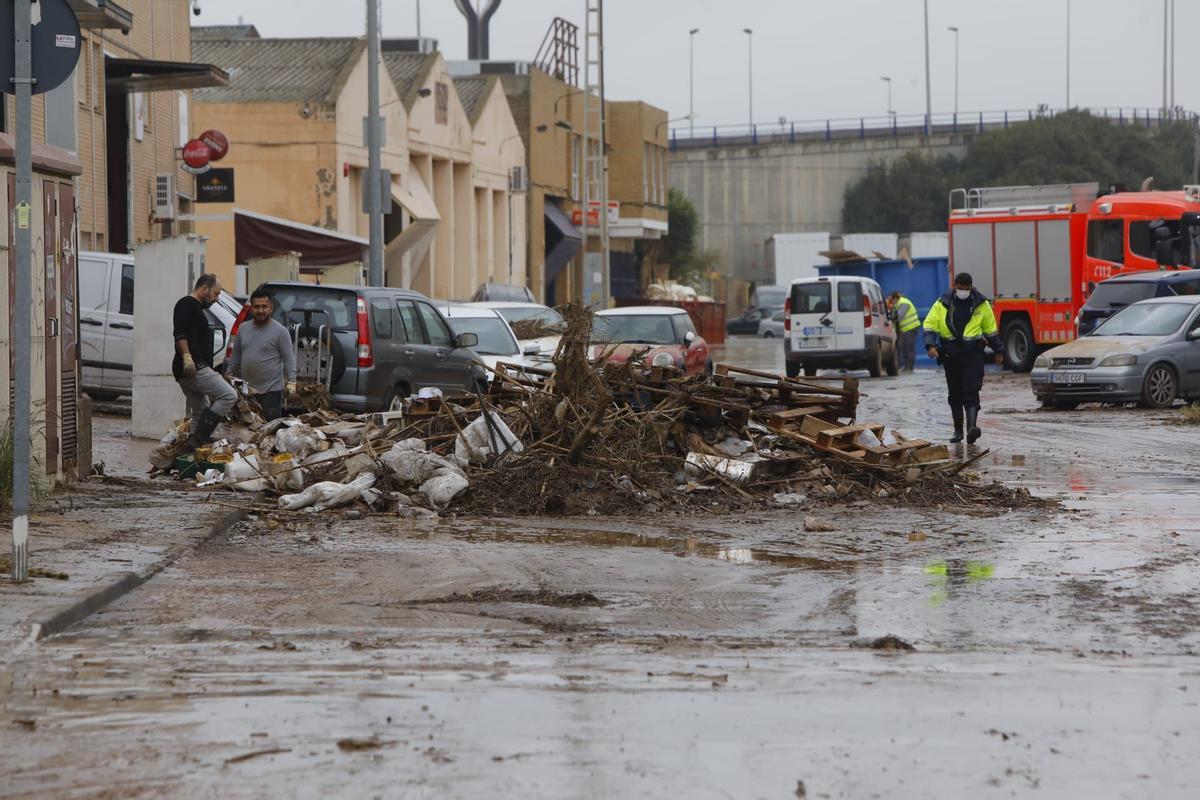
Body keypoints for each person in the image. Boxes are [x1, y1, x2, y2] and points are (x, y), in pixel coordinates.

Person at [922, 272, 1003, 444]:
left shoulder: (981, 304)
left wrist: (999, 351)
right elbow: (930, 324)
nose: (963, 291)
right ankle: (958, 431)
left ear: (971, 286)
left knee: (971, 390)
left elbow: (991, 329)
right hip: (950, 356)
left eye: (966, 289)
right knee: (955, 393)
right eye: (960, 288)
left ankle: (972, 428)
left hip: (972, 354)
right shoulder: (942, 303)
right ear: (955, 285)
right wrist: (930, 345)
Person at [174, 274, 237, 448]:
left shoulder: (195, 307)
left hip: (191, 367)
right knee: (229, 395)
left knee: (200, 411)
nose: (216, 299)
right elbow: (180, 334)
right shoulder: (186, 304)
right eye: (215, 294)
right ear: (204, 289)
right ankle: (199, 439)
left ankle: (190, 453)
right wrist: (187, 358)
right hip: (194, 367)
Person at [229, 289, 297, 421]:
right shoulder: (243, 329)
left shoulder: (280, 331)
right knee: (248, 427)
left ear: (271, 308)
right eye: (256, 307)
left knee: (268, 428)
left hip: (271, 392)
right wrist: (228, 374)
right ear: (251, 309)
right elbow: (235, 358)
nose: (260, 310)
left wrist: (292, 383)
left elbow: (289, 359)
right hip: (247, 391)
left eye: (264, 306)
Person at [887, 291, 921, 372]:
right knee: (902, 346)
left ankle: (909, 367)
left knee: (909, 347)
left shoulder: (904, 303)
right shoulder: (897, 304)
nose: (891, 302)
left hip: (911, 327)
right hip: (904, 329)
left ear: (895, 298)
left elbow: (900, 316)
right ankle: (905, 366)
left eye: (892, 300)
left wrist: (892, 319)